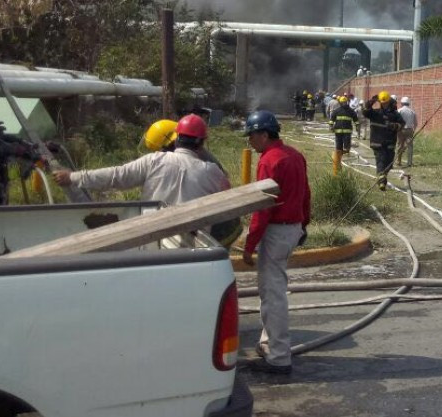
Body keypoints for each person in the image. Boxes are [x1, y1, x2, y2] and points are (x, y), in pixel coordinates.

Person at [241, 110, 310, 375]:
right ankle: (268, 342)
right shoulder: (294, 155)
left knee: (273, 295)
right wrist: (304, 223)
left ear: (264, 134)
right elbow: (306, 193)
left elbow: (262, 209)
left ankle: (279, 358)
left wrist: (250, 245)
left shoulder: (269, 161)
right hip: (291, 229)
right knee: (272, 290)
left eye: (252, 135)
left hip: (276, 231)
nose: (250, 141)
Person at [55, 114, 229, 210]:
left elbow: (115, 176)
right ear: (202, 142)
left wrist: (73, 177)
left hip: (151, 240)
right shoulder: (213, 172)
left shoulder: (153, 161)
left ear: (176, 140)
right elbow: (228, 200)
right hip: (195, 250)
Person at [141, 118, 238, 245]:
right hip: (217, 221)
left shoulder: (202, 165)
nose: (159, 154)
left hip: (221, 226)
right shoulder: (194, 155)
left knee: (210, 257)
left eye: (161, 150)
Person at [363, 91, 403, 191]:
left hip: (390, 143)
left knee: (389, 163)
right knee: (381, 160)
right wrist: (371, 101)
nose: (384, 104)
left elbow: (402, 124)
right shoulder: (375, 113)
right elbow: (365, 111)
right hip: (377, 142)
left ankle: (382, 176)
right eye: (382, 102)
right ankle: (382, 181)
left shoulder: (395, 114)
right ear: (380, 102)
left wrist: (394, 126)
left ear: (389, 102)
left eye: (386, 102)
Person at [396, 96, 417, 167]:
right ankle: (409, 162)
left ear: (402, 103)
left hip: (401, 130)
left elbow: (396, 121)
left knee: (400, 146)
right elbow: (415, 123)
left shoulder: (399, 111)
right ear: (409, 104)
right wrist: (413, 130)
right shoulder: (412, 112)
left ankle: (398, 161)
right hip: (409, 130)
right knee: (410, 146)